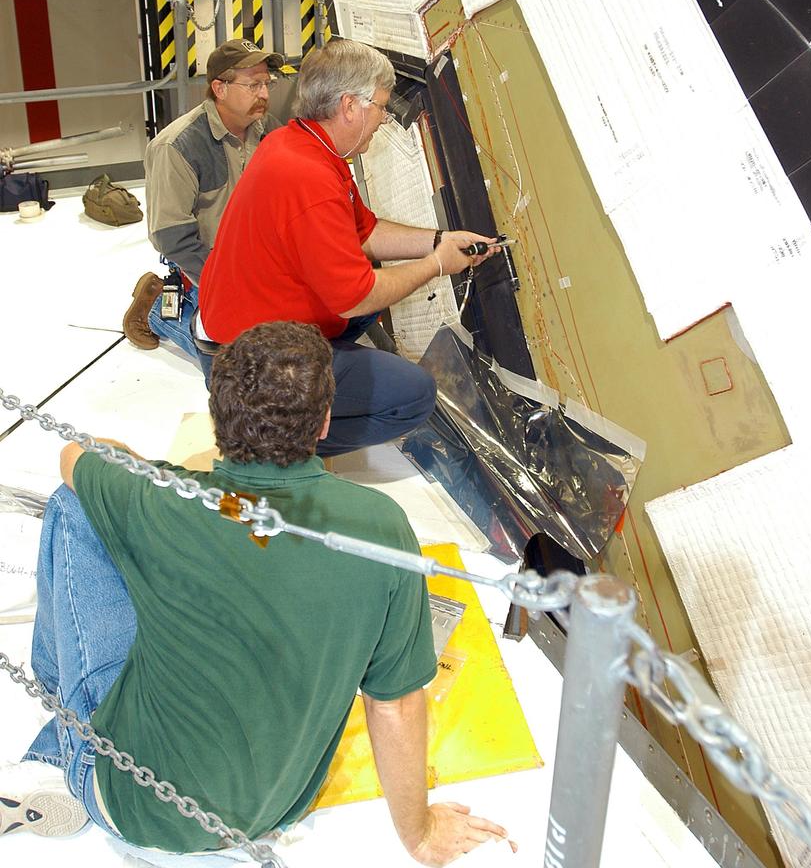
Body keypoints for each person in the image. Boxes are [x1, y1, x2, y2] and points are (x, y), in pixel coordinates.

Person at [1, 322, 511, 865]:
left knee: (74, 506)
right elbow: (397, 704)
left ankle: (59, 751)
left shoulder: (163, 502)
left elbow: (78, 457)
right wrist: (421, 834)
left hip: (129, 804)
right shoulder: (383, 528)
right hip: (274, 811)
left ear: (217, 416)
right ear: (324, 424)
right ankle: (61, 747)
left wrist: (155, 478)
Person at [198, 38, 499, 456]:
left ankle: (290, 408)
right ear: (349, 106)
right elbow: (353, 298)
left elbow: (366, 232)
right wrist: (435, 265)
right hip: (246, 364)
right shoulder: (310, 179)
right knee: (413, 395)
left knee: (380, 289)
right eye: (379, 105)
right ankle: (266, 443)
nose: (383, 118)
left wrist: (438, 241)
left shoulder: (299, 143)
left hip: (244, 328)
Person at [122, 40, 283, 375]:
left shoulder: (267, 129)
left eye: (267, 83)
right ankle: (159, 311)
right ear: (219, 89)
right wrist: (230, 284)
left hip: (258, 260)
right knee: (246, 365)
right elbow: (172, 238)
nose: (264, 94)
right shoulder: (177, 146)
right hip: (208, 264)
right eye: (253, 85)